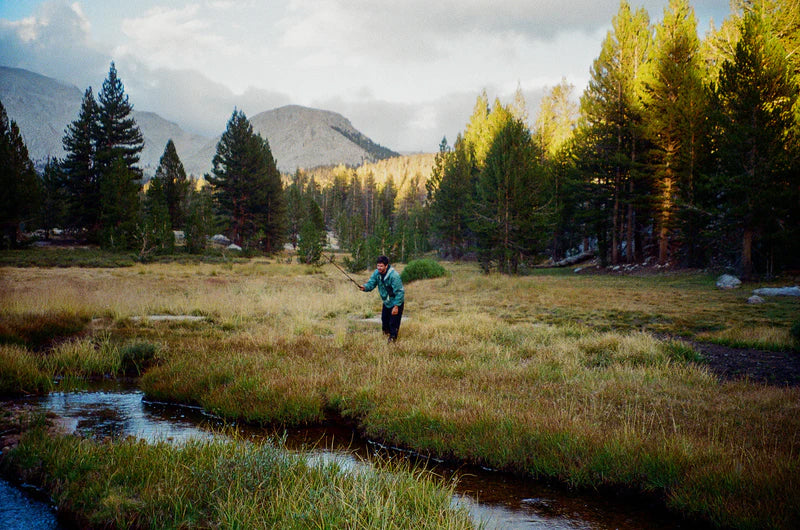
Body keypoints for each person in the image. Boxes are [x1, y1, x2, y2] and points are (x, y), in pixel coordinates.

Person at [360, 255, 404, 342]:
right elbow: (371, 283)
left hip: (396, 302)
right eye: (378, 265)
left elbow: (400, 292)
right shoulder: (376, 273)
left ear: (386, 266)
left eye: (381, 266)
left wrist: (396, 306)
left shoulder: (394, 276)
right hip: (386, 302)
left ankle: (392, 341)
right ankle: (385, 338)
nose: (379, 268)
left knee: (393, 323)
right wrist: (365, 287)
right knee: (384, 321)